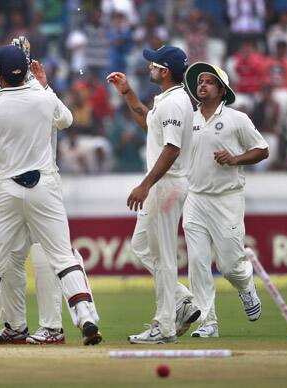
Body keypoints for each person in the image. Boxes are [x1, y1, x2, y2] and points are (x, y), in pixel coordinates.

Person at [0, 45, 101, 347]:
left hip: (6, 190)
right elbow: (67, 121)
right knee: (62, 255)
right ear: (26, 71)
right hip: (44, 188)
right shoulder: (44, 98)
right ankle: (85, 315)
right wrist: (44, 85)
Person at [107, 45, 201, 344]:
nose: (149, 67)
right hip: (164, 184)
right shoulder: (168, 100)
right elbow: (149, 124)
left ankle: (164, 326)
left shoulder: (175, 103)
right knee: (141, 246)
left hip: (166, 185)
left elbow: (171, 149)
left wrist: (146, 185)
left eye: (153, 64)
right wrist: (127, 93)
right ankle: (182, 300)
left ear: (166, 71)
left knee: (162, 256)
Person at [183, 62, 269, 338]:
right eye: (199, 82)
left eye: (209, 82)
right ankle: (208, 323)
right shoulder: (188, 118)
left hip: (227, 199)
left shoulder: (237, 119)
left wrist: (235, 159)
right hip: (195, 198)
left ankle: (246, 286)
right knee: (197, 263)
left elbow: (262, 150)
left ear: (222, 90)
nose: (201, 85)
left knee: (230, 266)